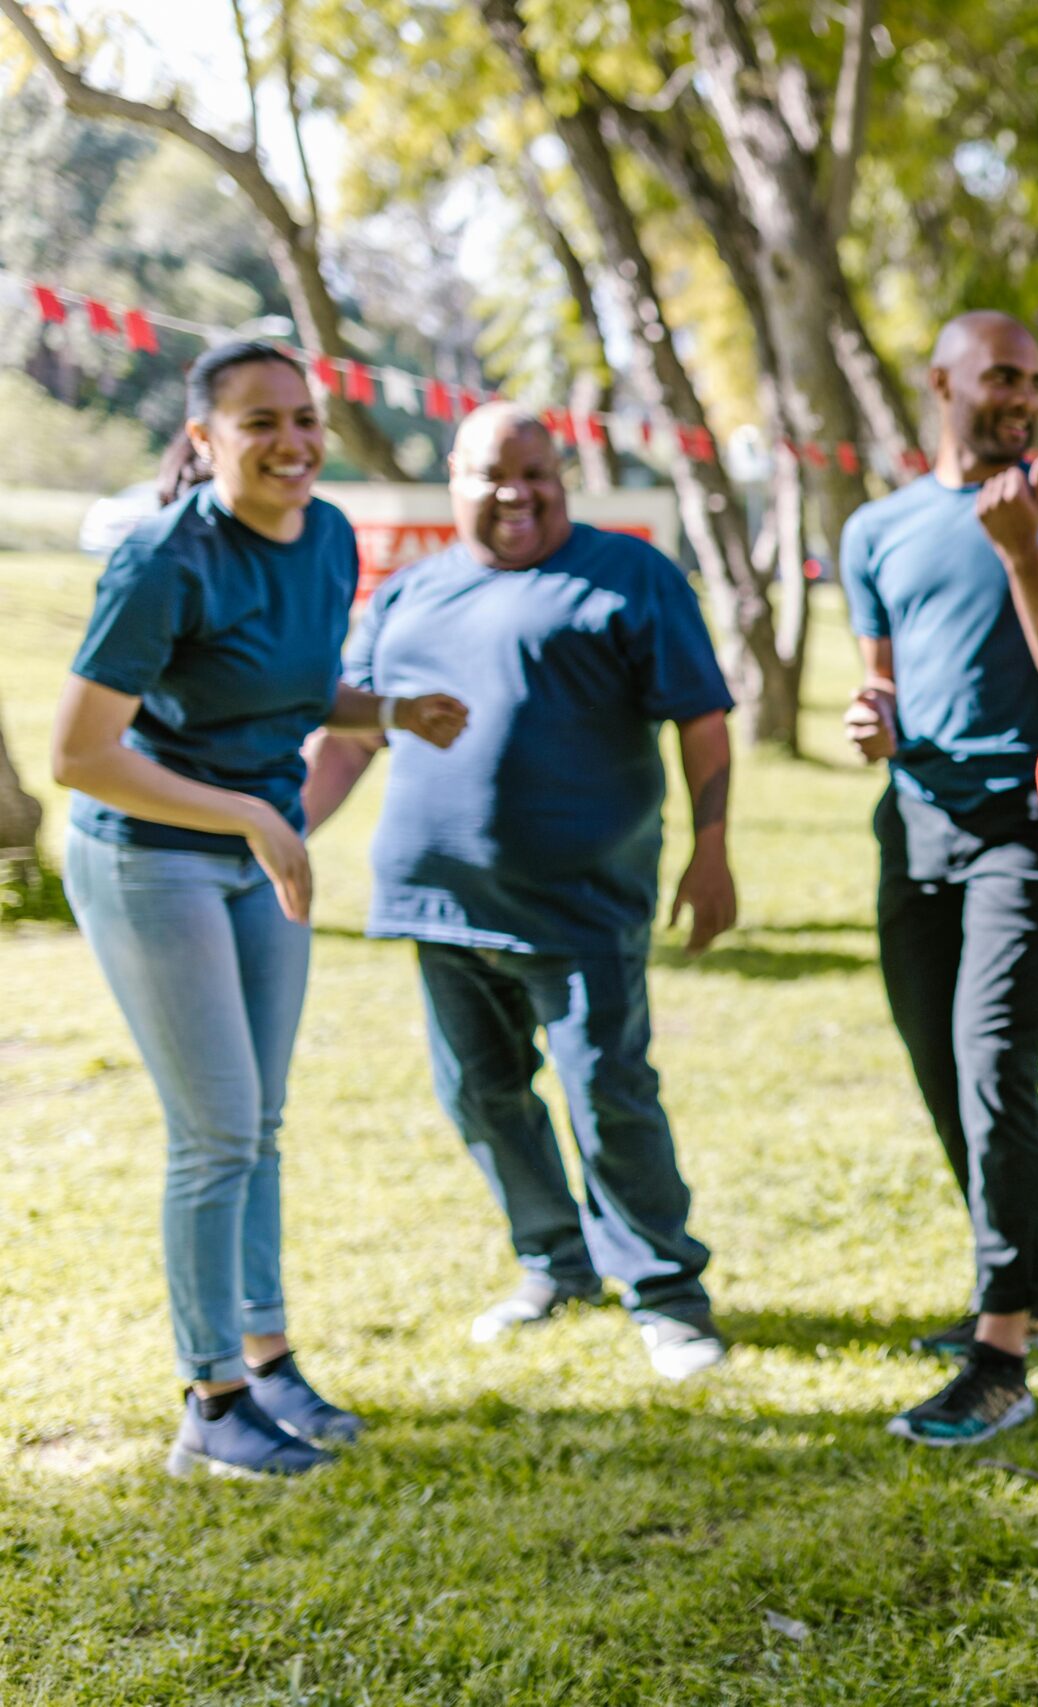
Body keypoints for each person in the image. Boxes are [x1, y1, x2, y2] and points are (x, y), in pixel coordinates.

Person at [51, 341, 468, 1476]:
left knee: (259, 1125)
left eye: (303, 418)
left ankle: (270, 1364)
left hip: (254, 855)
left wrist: (383, 711)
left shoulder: (329, 534)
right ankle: (213, 1408)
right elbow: (79, 756)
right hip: (153, 858)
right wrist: (255, 817)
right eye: (257, 424)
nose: (290, 442)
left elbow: (275, 687)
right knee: (216, 1133)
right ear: (203, 439)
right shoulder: (161, 558)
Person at [335, 403, 738, 1382]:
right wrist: (279, 831)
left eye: (538, 472)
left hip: (583, 901)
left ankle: (667, 1294)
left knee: (608, 1091)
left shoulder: (630, 575)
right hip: (438, 901)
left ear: (563, 476)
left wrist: (712, 848)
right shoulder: (411, 593)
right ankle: (555, 1263)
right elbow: (351, 732)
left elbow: (702, 717)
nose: (518, 492)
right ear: (455, 483)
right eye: (493, 475)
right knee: (480, 1093)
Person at [839, 311, 1038, 1445]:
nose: (1024, 397)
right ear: (943, 382)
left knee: (991, 1056)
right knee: (938, 1064)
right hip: (913, 824)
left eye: (1037, 382)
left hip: (1031, 825)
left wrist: (1021, 552)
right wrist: (874, 720)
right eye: (1004, 376)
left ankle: (1000, 1344)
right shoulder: (878, 528)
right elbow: (883, 686)